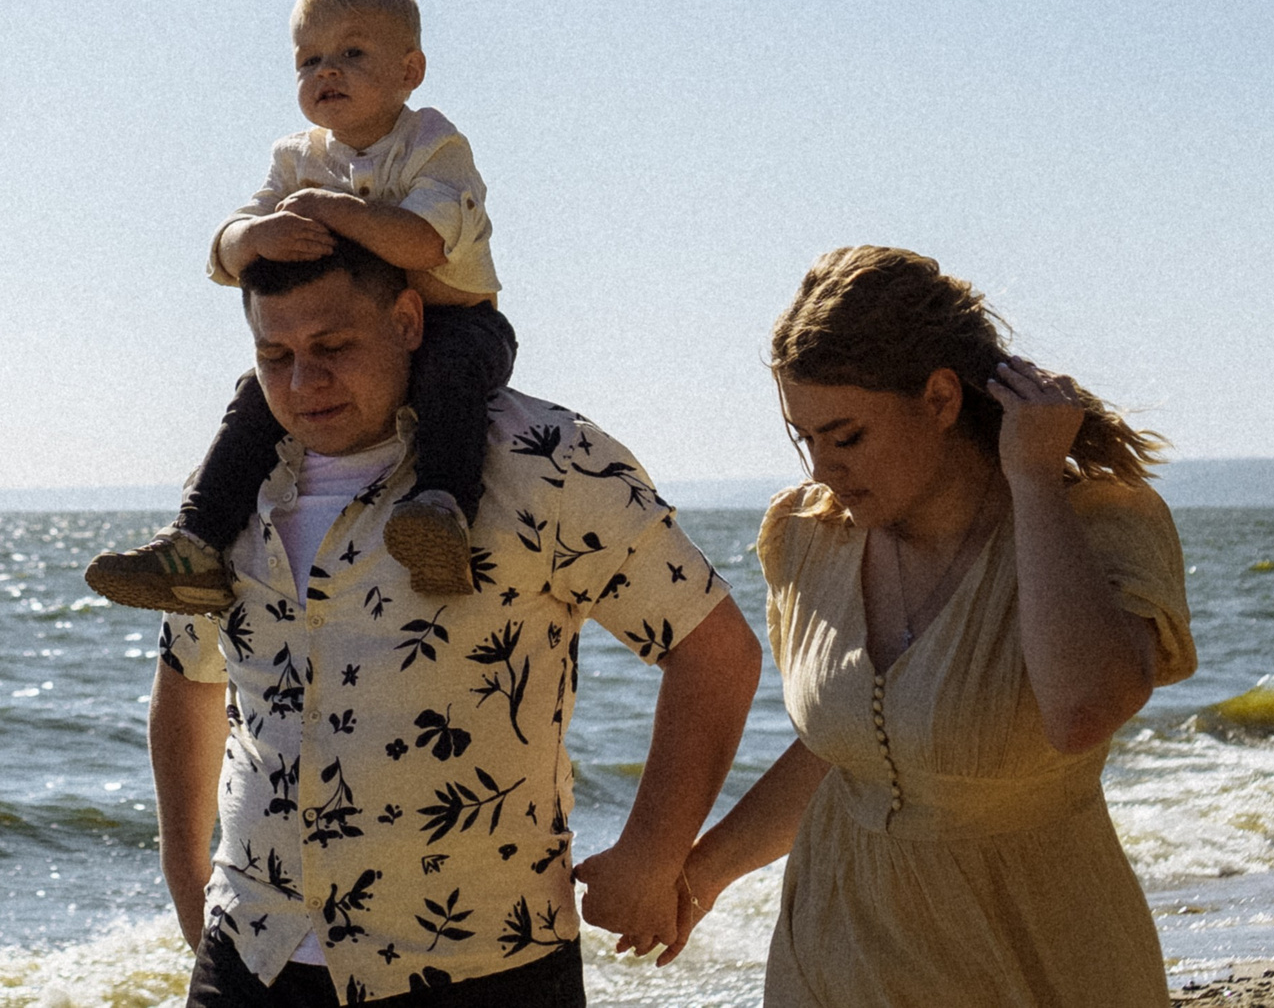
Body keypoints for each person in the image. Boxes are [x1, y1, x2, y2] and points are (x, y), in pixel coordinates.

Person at [148, 237, 761, 1006]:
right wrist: (186, 873)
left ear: (408, 320)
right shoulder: (231, 488)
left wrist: (653, 851)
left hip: (482, 965)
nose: (304, 381)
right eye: (275, 355)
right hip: (251, 957)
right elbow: (189, 676)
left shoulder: (544, 458)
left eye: (333, 346)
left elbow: (715, 650)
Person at [671, 246, 1197, 1006]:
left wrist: (1033, 481)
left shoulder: (1097, 524)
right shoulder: (808, 535)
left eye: (846, 437)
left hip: (1038, 964)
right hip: (832, 961)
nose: (821, 469)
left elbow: (1083, 709)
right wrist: (697, 876)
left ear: (941, 399)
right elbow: (852, 751)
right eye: (804, 438)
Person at [90, 0, 515, 609]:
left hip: (457, 323)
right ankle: (196, 543)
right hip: (352, 332)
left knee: (449, 377)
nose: (327, 71)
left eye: (352, 53)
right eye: (308, 60)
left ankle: (440, 514)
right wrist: (255, 237)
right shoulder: (296, 158)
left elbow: (423, 244)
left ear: (410, 71)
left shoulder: (435, 146)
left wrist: (330, 209)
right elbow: (226, 250)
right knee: (258, 395)